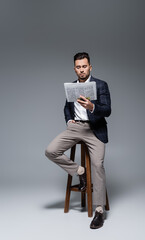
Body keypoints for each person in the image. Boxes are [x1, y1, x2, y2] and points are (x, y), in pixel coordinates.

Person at [45, 52, 111, 229]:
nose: (82, 70)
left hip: (94, 129)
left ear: (90, 67)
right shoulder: (71, 87)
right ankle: (80, 171)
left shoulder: (101, 85)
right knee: (51, 151)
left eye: (84, 66)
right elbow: (66, 107)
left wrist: (92, 107)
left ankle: (99, 210)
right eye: (78, 67)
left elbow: (107, 110)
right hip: (75, 128)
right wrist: (69, 120)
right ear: (75, 69)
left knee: (97, 164)